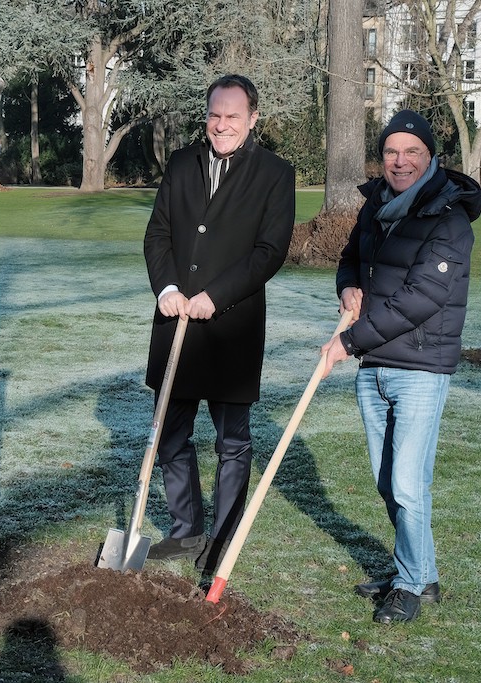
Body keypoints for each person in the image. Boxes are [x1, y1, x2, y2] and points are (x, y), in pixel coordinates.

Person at [320, 109, 481, 624]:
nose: (401, 160)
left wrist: (349, 341)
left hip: (419, 369)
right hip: (375, 367)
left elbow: (422, 299)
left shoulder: (449, 219)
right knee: (389, 483)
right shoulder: (377, 209)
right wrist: (347, 285)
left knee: (410, 484)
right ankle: (422, 572)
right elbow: (350, 257)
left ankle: (409, 584)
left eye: (412, 151)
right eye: (392, 151)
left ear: (431, 157)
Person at [143, 74, 295, 574]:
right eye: (215, 115)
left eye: (233, 116)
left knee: (233, 443)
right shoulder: (183, 163)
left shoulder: (275, 173)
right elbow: (158, 233)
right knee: (170, 436)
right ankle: (186, 532)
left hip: (231, 329)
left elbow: (269, 252)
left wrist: (216, 295)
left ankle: (223, 541)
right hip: (176, 325)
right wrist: (167, 289)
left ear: (253, 118)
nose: (222, 124)